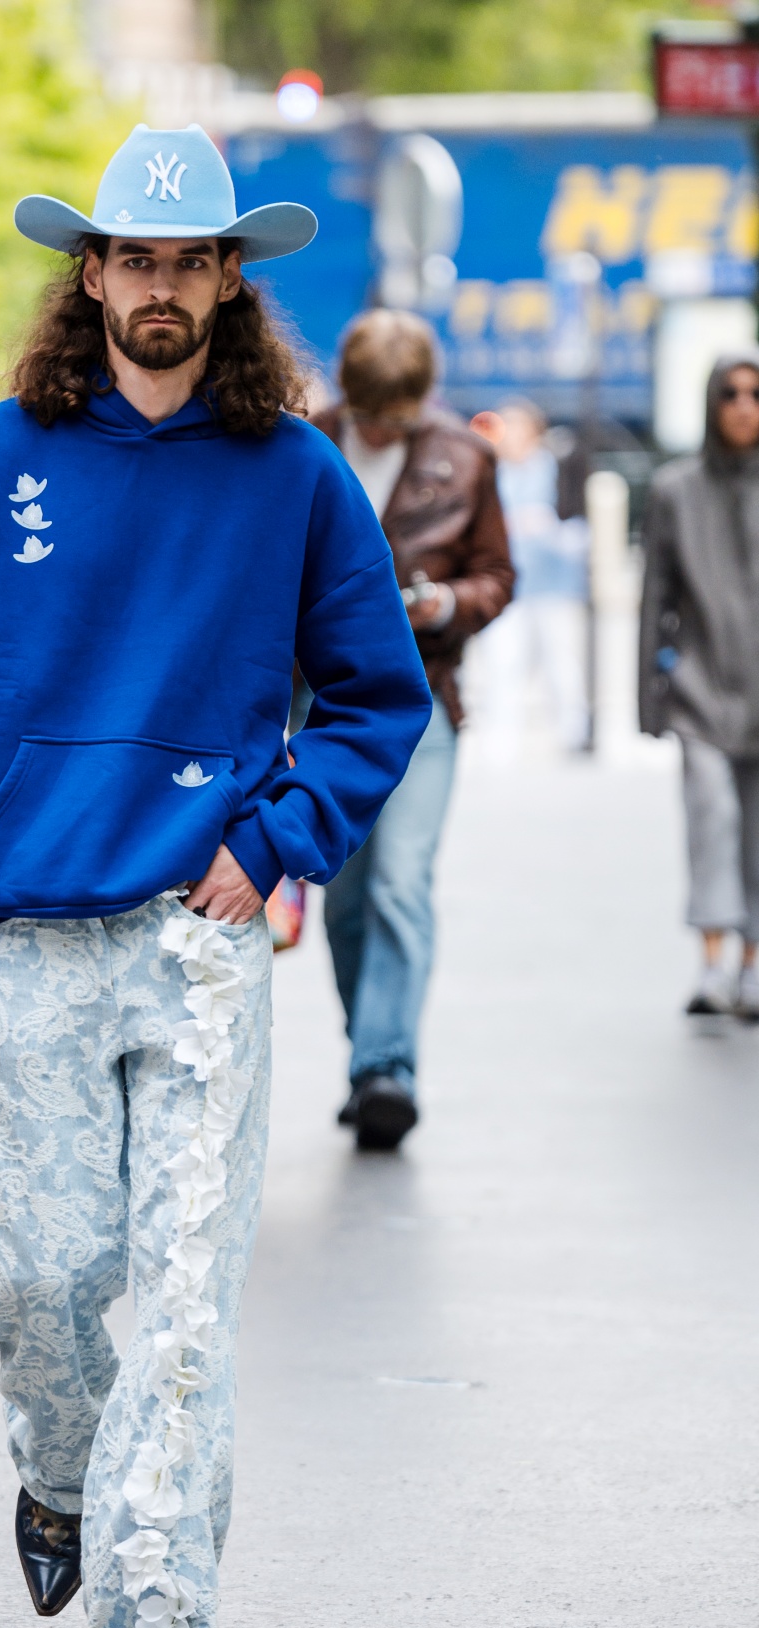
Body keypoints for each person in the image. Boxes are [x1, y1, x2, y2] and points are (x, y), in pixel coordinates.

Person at [0, 126, 431, 1628]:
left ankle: (159, 1625)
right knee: (47, 1283)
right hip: (32, 934)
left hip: (202, 939)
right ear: (88, 271)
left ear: (230, 278)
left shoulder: (296, 476)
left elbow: (383, 693)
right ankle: (57, 1474)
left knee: (180, 1294)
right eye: (134, 257)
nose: (161, 286)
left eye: (191, 260)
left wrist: (285, 837)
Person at [311, 311, 514, 1149]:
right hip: (319, 703)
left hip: (424, 696)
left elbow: (497, 578)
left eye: (393, 420)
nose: (380, 432)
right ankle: (370, 1048)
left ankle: (385, 1065)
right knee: (345, 896)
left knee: (400, 878)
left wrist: (443, 605)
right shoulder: (306, 442)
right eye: (369, 416)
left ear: (422, 400)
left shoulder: (465, 458)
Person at [640, 352, 759, 1020]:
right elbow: (656, 597)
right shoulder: (675, 490)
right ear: (712, 404)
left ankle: (752, 965)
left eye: (756, 393)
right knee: (712, 819)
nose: (745, 405)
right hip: (700, 693)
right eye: (731, 393)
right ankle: (713, 963)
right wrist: (648, 701)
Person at [477, 400, 590, 761]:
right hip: (508, 586)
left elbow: (579, 530)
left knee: (562, 661)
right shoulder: (491, 473)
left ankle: (573, 733)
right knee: (503, 663)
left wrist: (546, 527)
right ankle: (501, 740)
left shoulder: (555, 468)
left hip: (554, 585)